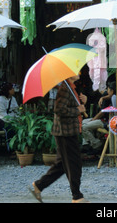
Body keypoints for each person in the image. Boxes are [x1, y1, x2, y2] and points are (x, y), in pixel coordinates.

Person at [29, 75, 89, 203]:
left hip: (68, 131)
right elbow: (59, 110)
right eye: (75, 70)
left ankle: (39, 185)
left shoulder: (72, 88)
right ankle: (77, 196)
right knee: (74, 164)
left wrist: (83, 101)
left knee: (62, 165)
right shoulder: (65, 89)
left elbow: (73, 106)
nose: (78, 72)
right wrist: (78, 109)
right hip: (65, 133)